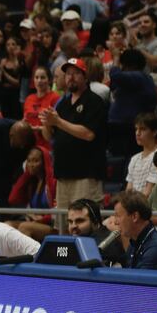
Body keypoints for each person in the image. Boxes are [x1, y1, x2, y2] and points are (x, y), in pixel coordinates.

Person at [41, 57, 107, 233]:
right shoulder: (62, 103)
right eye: (68, 74)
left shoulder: (94, 101)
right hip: (63, 175)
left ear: (85, 77)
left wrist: (58, 122)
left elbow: (88, 134)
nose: (70, 77)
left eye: (76, 73)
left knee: (86, 224)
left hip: (85, 175)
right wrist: (47, 123)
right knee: (63, 226)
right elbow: (49, 136)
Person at [108, 49, 156, 156]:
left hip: (127, 127)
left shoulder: (138, 76)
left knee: (125, 160)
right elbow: (114, 85)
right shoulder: (141, 78)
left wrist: (116, 58)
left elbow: (116, 76)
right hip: (124, 126)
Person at [112, 191, 157, 270]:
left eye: (118, 216)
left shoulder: (156, 248)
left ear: (134, 217)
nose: (115, 222)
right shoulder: (135, 242)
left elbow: (135, 280)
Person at [7, 146, 56, 242]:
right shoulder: (32, 182)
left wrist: (41, 219)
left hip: (52, 225)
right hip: (35, 222)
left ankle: (30, 257)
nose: (31, 164)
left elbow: (57, 210)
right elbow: (13, 199)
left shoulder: (53, 182)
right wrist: (27, 174)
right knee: (7, 225)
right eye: (29, 161)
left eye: (35, 161)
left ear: (45, 162)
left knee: (25, 227)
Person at [67, 199, 125, 266]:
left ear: (95, 222)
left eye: (80, 221)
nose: (73, 226)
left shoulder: (105, 245)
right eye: (70, 222)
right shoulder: (76, 240)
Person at [23, 66, 60, 148]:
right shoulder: (29, 99)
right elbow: (25, 119)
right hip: (30, 144)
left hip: (47, 144)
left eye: (42, 78)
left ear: (49, 80)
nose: (39, 81)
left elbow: (57, 125)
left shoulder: (55, 98)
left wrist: (40, 128)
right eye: (36, 77)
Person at [126, 113, 157, 197]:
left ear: (154, 132)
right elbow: (128, 190)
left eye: (142, 129)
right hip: (133, 205)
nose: (137, 133)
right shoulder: (134, 158)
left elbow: (148, 193)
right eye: (136, 129)